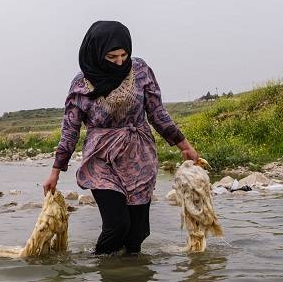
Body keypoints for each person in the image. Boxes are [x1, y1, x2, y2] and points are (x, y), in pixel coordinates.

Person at [42, 20, 199, 255]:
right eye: (112, 57)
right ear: (96, 53)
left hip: (139, 156)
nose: (119, 62)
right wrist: (55, 170)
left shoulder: (141, 71)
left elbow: (157, 113)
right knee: (117, 225)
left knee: (138, 233)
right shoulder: (81, 84)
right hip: (100, 158)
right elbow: (70, 129)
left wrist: (184, 145)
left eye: (124, 55)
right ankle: (105, 277)